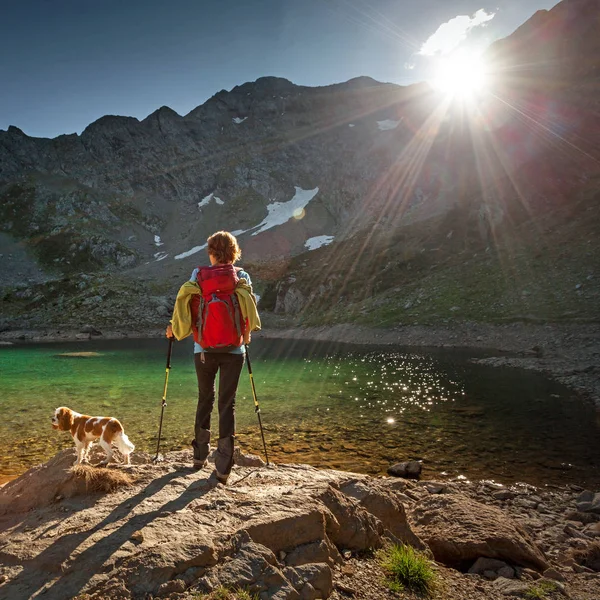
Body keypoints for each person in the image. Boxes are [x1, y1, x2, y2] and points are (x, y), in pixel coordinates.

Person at [166, 231, 260, 484]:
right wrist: (245, 335)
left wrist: (174, 329)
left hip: (203, 349)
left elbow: (187, 309)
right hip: (234, 350)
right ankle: (223, 467)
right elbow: (249, 310)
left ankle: (198, 456)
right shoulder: (241, 276)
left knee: (205, 398)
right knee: (227, 405)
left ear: (211, 251)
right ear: (234, 251)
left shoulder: (198, 276)